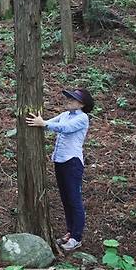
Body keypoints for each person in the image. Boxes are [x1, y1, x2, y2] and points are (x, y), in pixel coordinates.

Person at [26, 89, 94, 251]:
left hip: (72, 162)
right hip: (60, 161)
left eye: (73, 98)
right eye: (69, 97)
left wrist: (44, 124)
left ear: (82, 104)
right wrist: (40, 121)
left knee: (74, 199)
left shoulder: (82, 118)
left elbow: (64, 128)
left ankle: (76, 237)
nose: (69, 100)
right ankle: (70, 232)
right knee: (65, 198)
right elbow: (49, 123)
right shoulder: (65, 114)